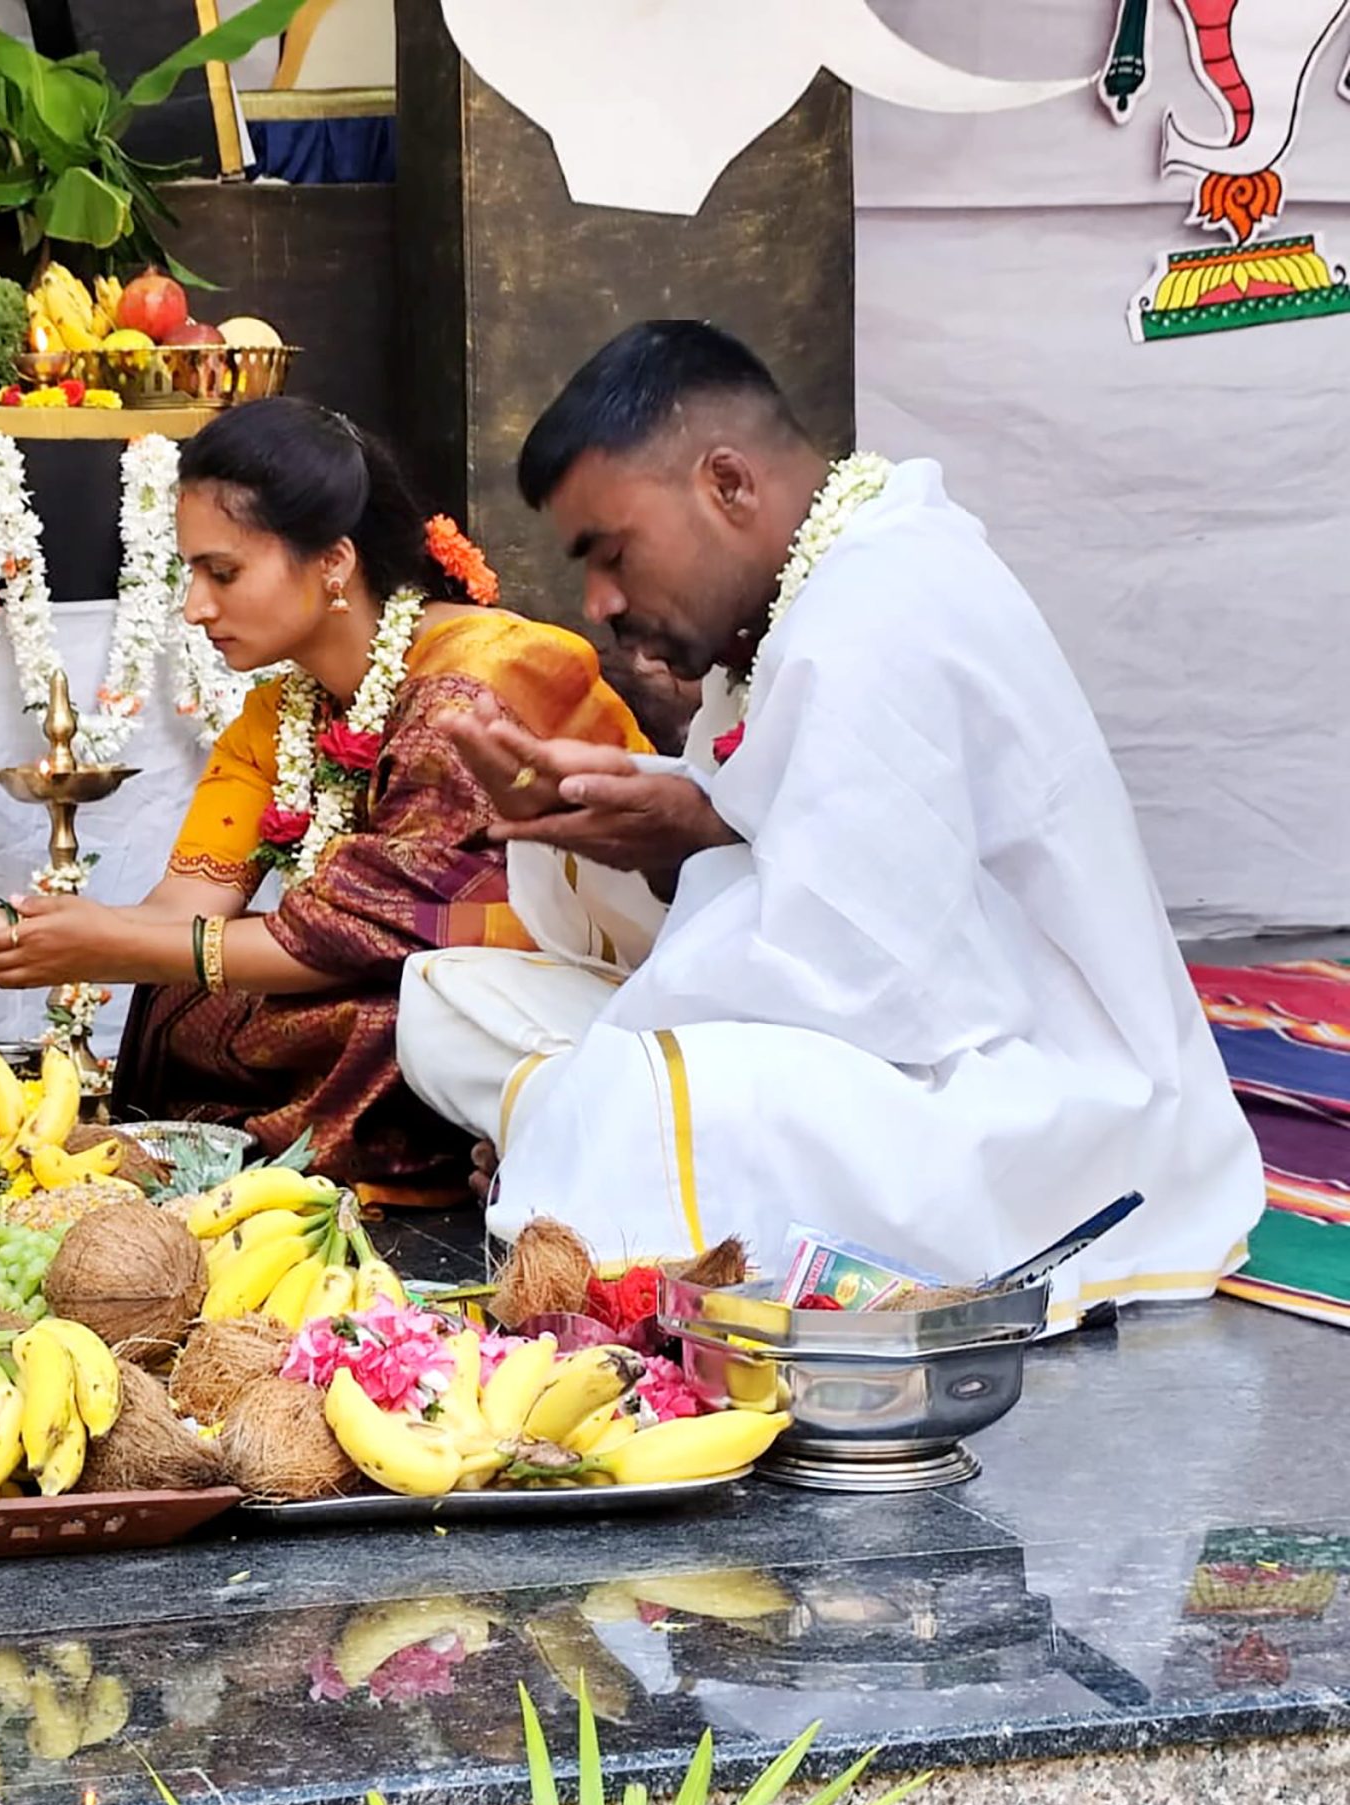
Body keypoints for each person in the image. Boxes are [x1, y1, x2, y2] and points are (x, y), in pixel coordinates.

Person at [396, 320, 1262, 1325]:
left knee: (640, 1089)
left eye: (611, 552)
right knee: (445, 992)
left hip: (1022, 1088)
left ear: (727, 484)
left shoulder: (871, 613)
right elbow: (788, 855)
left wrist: (685, 841)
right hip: (905, 1019)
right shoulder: (808, 597)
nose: (598, 601)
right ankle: (570, 1136)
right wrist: (637, 821)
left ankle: (572, 1138)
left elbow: (862, 977)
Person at [0, 398, 648, 1200]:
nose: (193, 607)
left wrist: (105, 945)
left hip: (564, 999)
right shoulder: (279, 709)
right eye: (190, 574)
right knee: (177, 1000)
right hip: (391, 981)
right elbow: (184, 908)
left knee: (393, 1011)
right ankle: (268, 1168)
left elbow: (359, 936)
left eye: (222, 573)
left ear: (333, 563)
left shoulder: (479, 678)